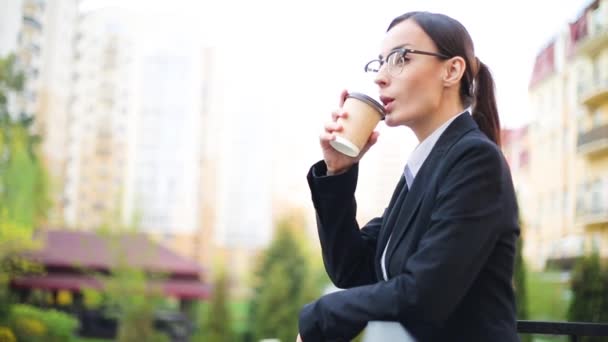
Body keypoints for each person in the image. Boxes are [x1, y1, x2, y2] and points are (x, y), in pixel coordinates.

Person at [296, 11, 520, 342]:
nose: (381, 77)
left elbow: (423, 295)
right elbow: (352, 269)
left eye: (400, 58)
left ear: (452, 70)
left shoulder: (475, 160)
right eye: (380, 63)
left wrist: (321, 316)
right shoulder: (424, 169)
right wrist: (338, 171)